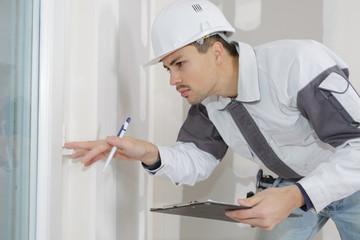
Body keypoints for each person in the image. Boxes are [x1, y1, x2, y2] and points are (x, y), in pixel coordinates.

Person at [65, 0, 360, 239]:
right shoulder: (208, 101)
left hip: (351, 181)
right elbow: (198, 160)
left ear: (216, 51)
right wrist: (150, 153)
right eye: (168, 69)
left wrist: (297, 196)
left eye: (180, 63)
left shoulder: (298, 64)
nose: (173, 80)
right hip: (289, 186)